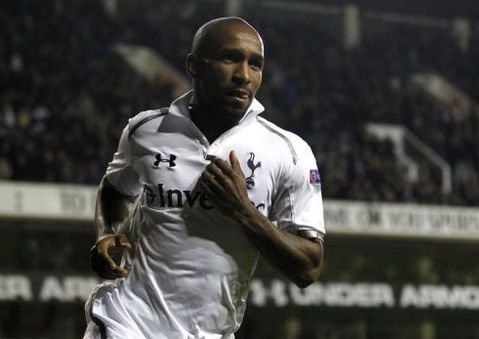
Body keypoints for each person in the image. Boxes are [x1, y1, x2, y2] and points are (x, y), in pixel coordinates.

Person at [84, 17, 325, 339]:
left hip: (211, 332)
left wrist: (244, 212)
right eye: (230, 58)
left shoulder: (289, 151)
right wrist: (107, 231)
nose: (243, 76)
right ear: (194, 66)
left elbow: (308, 268)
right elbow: (115, 190)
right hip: (126, 321)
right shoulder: (145, 131)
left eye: (255, 64)